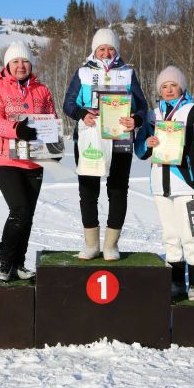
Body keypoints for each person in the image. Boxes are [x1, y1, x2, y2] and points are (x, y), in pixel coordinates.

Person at [135, 66, 194, 301]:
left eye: (173, 85)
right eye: (164, 86)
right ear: (159, 90)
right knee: (170, 236)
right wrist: (148, 143)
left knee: (190, 236)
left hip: (188, 183)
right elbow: (140, 150)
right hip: (161, 185)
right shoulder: (153, 115)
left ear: (181, 87)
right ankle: (176, 284)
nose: (169, 90)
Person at [63, 28, 148, 261]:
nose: (106, 52)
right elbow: (68, 104)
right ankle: (91, 244)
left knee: (118, 190)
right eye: (102, 48)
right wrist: (82, 113)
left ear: (117, 50)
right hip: (90, 138)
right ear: (94, 50)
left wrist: (136, 119)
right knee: (88, 191)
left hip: (120, 138)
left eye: (111, 48)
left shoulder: (128, 72)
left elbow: (143, 106)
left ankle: (111, 245)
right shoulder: (82, 72)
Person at [0, 41, 57, 282]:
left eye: (24, 61)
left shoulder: (42, 89)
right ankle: (5, 260)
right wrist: (16, 128)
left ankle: (19, 263)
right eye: (15, 61)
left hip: (34, 161)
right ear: (7, 65)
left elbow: (50, 120)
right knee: (20, 210)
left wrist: (54, 148)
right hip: (6, 160)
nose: (20, 65)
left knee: (28, 214)